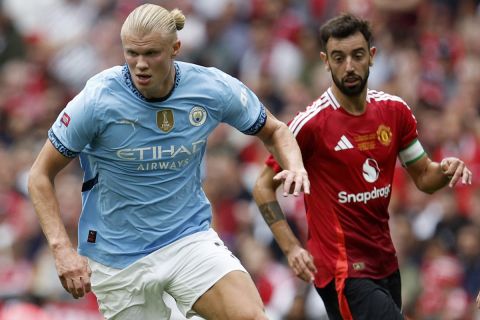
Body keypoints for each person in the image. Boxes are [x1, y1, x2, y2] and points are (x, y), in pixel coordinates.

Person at [27, 4, 310, 320]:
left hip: (187, 239)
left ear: (176, 48)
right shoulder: (96, 101)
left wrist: (295, 166)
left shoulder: (209, 87)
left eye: (151, 53)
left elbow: (275, 129)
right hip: (118, 258)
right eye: (132, 53)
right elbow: (39, 176)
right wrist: (61, 249)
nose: (140, 64)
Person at [252, 13, 472, 320]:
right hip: (341, 271)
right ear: (325, 62)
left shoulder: (395, 112)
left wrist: (444, 170)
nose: (349, 67)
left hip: (385, 262)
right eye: (338, 58)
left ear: (372, 56)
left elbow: (423, 177)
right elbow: (263, 186)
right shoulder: (310, 125)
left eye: (357, 56)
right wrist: (291, 248)